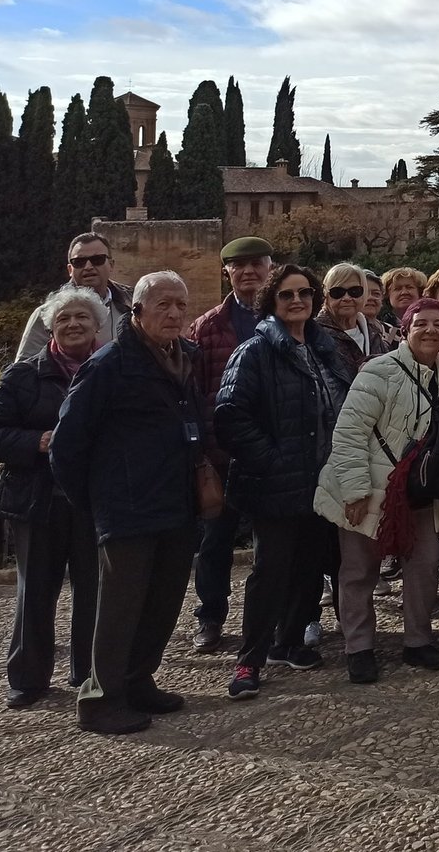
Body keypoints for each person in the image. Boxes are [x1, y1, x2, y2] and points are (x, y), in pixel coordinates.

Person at [48, 272, 203, 735]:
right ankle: (100, 699)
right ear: (136, 311)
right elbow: (66, 446)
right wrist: (96, 504)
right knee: (118, 608)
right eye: (162, 305)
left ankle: (137, 681)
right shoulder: (109, 365)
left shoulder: (185, 357)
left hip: (177, 502)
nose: (174, 314)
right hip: (128, 508)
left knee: (164, 600)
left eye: (180, 304)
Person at [215, 263, 353, 700]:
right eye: (287, 295)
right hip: (275, 482)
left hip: (320, 481)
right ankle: (248, 661)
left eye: (305, 294)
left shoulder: (324, 347)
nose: (297, 301)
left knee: (309, 567)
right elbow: (231, 416)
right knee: (270, 571)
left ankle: (289, 642)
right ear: (272, 302)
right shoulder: (255, 351)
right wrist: (272, 460)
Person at [313, 298, 439, 680]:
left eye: (438, 324)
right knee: (359, 570)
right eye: (421, 323)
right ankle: (358, 647)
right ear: (405, 330)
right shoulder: (379, 371)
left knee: (424, 567)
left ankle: (418, 641)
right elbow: (349, 433)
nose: (430, 330)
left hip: (419, 492)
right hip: (369, 486)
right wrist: (356, 490)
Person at [0, 286, 102, 708]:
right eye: (64, 318)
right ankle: (28, 679)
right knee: (35, 593)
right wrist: (38, 441)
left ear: (97, 324)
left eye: (82, 317)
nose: (73, 324)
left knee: (94, 592)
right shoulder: (24, 374)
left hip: (92, 501)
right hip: (36, 499)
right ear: (50, 326)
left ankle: (89, 674)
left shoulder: (110, 371)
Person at [185, 234, 274, 653]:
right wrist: (202, 449)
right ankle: (210, 617)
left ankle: (267, 620)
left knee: (269, 544)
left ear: (270, 269)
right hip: (222, 453)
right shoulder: (206, 327)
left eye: (258, 264)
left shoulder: (285, 318)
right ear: (228, 272)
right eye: (241, 266)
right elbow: (193, 392)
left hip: (270, 452)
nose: (250, 272)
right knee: (214, 543)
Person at [16, 232, 131, 360]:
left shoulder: (132, 308)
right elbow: (24, 368)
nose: (88, 267)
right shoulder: (46, 314)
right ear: (70, 270)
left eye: (97, 260)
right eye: (79, 262)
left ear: (111, 265)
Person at [318, 261, 398, 376]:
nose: (346, 298)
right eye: (337, 292)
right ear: (326, 296)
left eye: (354, 291)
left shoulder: (374, 333)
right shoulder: (315, 334)